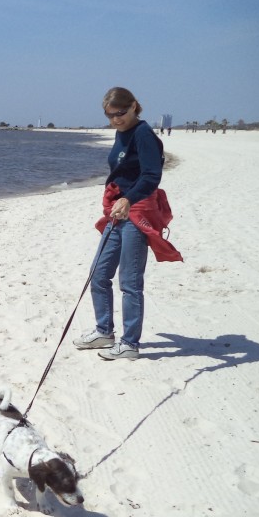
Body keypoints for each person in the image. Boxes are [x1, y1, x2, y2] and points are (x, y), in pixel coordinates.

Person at [73, 87, 182, 360]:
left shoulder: (144, 135)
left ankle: (130, 344)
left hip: (136, 212)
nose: (116, 120)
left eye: (120, 113)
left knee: (130, 282)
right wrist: (117, 199)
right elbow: (121, 171)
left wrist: (129, 199)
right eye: (110, 116)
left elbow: (151, 176)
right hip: (117, 211)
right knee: (98, 274)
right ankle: (104, 331)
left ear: (134, 106)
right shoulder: (122, 133)